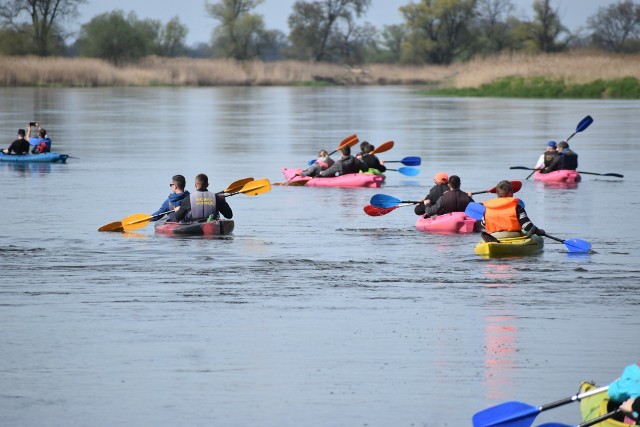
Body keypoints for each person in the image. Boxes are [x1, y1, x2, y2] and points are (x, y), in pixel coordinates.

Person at [480, 180, 545, 238]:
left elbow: (483, 224)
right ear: (511, 193)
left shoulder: (488, 208)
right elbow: (528, 226)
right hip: (514, 236)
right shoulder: (517, 206)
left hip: (494, 236)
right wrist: (537, 231)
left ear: (497, 194)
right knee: (532, 231)